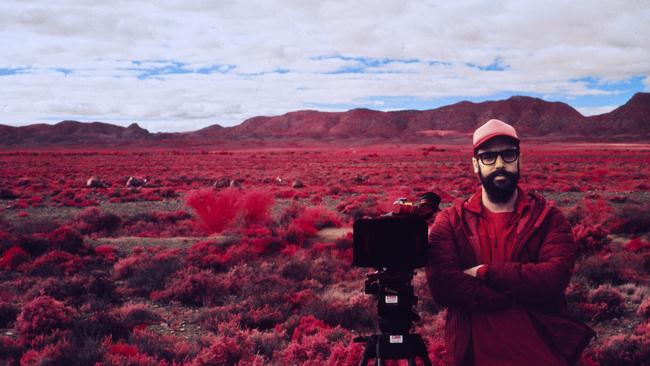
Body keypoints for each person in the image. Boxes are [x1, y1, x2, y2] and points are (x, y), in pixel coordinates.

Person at [425, 119, 594, 366]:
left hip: (541, 356)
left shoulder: (548, 218)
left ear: (519, 159)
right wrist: (513, 294)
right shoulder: (451, 221)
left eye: (508, 154)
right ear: (475, 164)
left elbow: (554, 278)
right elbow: (443, 285)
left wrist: (484, 272)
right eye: (488, 157)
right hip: (473, 357)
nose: (500, 164)